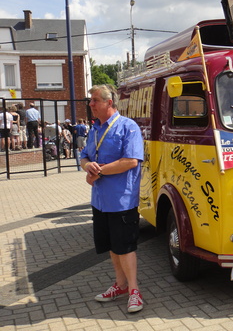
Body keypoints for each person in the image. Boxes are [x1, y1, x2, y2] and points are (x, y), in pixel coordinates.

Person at [80, 84, 144, 313]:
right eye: (91, 100)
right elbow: (84, 157)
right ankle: (120, 285)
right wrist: (88, 167)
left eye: (95, 100)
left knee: (125, 247)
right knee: (112, 247)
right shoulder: (95, 129)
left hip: (121, 201)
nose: (91, 104)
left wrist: (99, 171)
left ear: (109, 102)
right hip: (100, 200)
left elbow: (131, 161)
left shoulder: (129, 127)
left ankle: (134, 290)